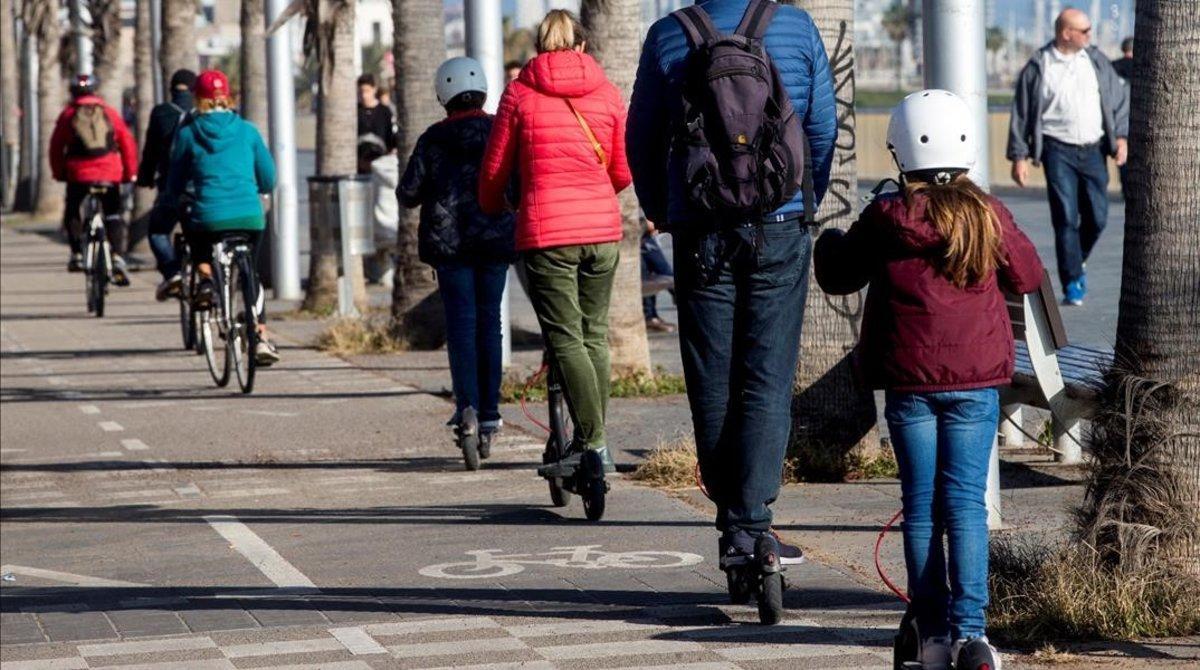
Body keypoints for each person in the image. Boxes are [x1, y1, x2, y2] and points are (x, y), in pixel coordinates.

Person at [815, 90, 1045, 670]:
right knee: (966, 507)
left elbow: (839, 277)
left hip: (909, 384)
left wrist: (827, 242)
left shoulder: (886, 217)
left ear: (899, 151)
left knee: (920, 507)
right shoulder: (986, 213)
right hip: (975, 384)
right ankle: (974, 638)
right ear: (966, 147)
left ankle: (931, 632)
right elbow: (1029, 275)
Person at [627, 0, 837, 567]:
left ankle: (734, 528)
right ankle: (754, 524)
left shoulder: (669, 35)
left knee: (711, 377)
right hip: (779, 222)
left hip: (699, 229)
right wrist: (801, 198)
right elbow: (820, 126)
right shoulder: (794, 26)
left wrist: (661, 209)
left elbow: (641, 137)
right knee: (766, 378)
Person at [479, 9, 632, 472]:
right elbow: (623, 171)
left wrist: (495, 204)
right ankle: (594, 437)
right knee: (594, 336)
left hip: (547, 234)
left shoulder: (520, 94)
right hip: (602, 232)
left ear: (538, 47)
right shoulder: (606, 92)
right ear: (582, 46)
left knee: (566, 339)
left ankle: (595, 443)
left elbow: (494, 170)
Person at [399, 56, 516, 444]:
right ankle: (491, 414)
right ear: (483, 90)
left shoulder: (432, 138)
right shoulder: (497, 130)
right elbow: (514, 183)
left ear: (442, 95)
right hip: (494, 239)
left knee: (461, 326)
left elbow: (408, 193)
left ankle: (466, 405)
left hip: (449, 247)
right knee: (490, 325)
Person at [1007, 8, 1128, 306]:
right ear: (1066, 33)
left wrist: (1121, 138)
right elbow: (1021, 113)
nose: (1090, 35)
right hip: (1056, 149)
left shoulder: (1096, 60)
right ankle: (1072, 281)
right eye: (1084, 31)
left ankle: (1077, 259)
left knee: (1098, 216)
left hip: (1093, 148)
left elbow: (1118, 101)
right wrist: (1019, 156)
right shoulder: (1039, 65)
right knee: (1065, 217)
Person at [164, 70, 281, 366]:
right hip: (249, 217)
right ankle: (261, 335)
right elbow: (268, 178)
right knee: (251, 274)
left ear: (197, 99)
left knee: (193, 224)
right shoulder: (248, 131)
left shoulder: (189, 133)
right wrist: (261, 187)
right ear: (228, 96)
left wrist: (175, 197)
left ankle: (204, 276)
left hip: (209, 218)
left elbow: (175, 182)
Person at [49, 73, 139, 283]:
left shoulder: (68, 114)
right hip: (110, 171)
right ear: (96, 92)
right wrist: (129, 173)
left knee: (73, 209)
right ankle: (117, 257)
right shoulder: (109, 112)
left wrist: (59, 172)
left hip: (78, 173)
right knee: (113, 214)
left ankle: (77, 255)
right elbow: (127, 143)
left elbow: (55, 147)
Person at [137, 68, 197, 301]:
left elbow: (150, 152)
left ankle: (172, 272)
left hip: (171, 188)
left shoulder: (162, 113)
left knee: (158, 232)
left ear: (171, 89)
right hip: (202, 188)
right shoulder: (203, 114)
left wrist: (145, 178)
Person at [357, 73, 397, 175]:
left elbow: (390, 139)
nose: (364, 95)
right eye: (361, 91)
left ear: (374, 89)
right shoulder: (355, 111)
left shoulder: (385, 112)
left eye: (367, 91)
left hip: (381, 167)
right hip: (359, 166)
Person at [641, 220, 675, 333]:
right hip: (638, 233)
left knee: (665, 274)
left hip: (644, 234)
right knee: (647, 277)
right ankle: (650, 317)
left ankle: (650, 316)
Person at [1111, 36, 1134, 198]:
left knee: (1122, 155)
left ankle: (1126, 187)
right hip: (1137, 117)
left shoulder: (1112, 67)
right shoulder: (1142, 67)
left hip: (1118, 120)